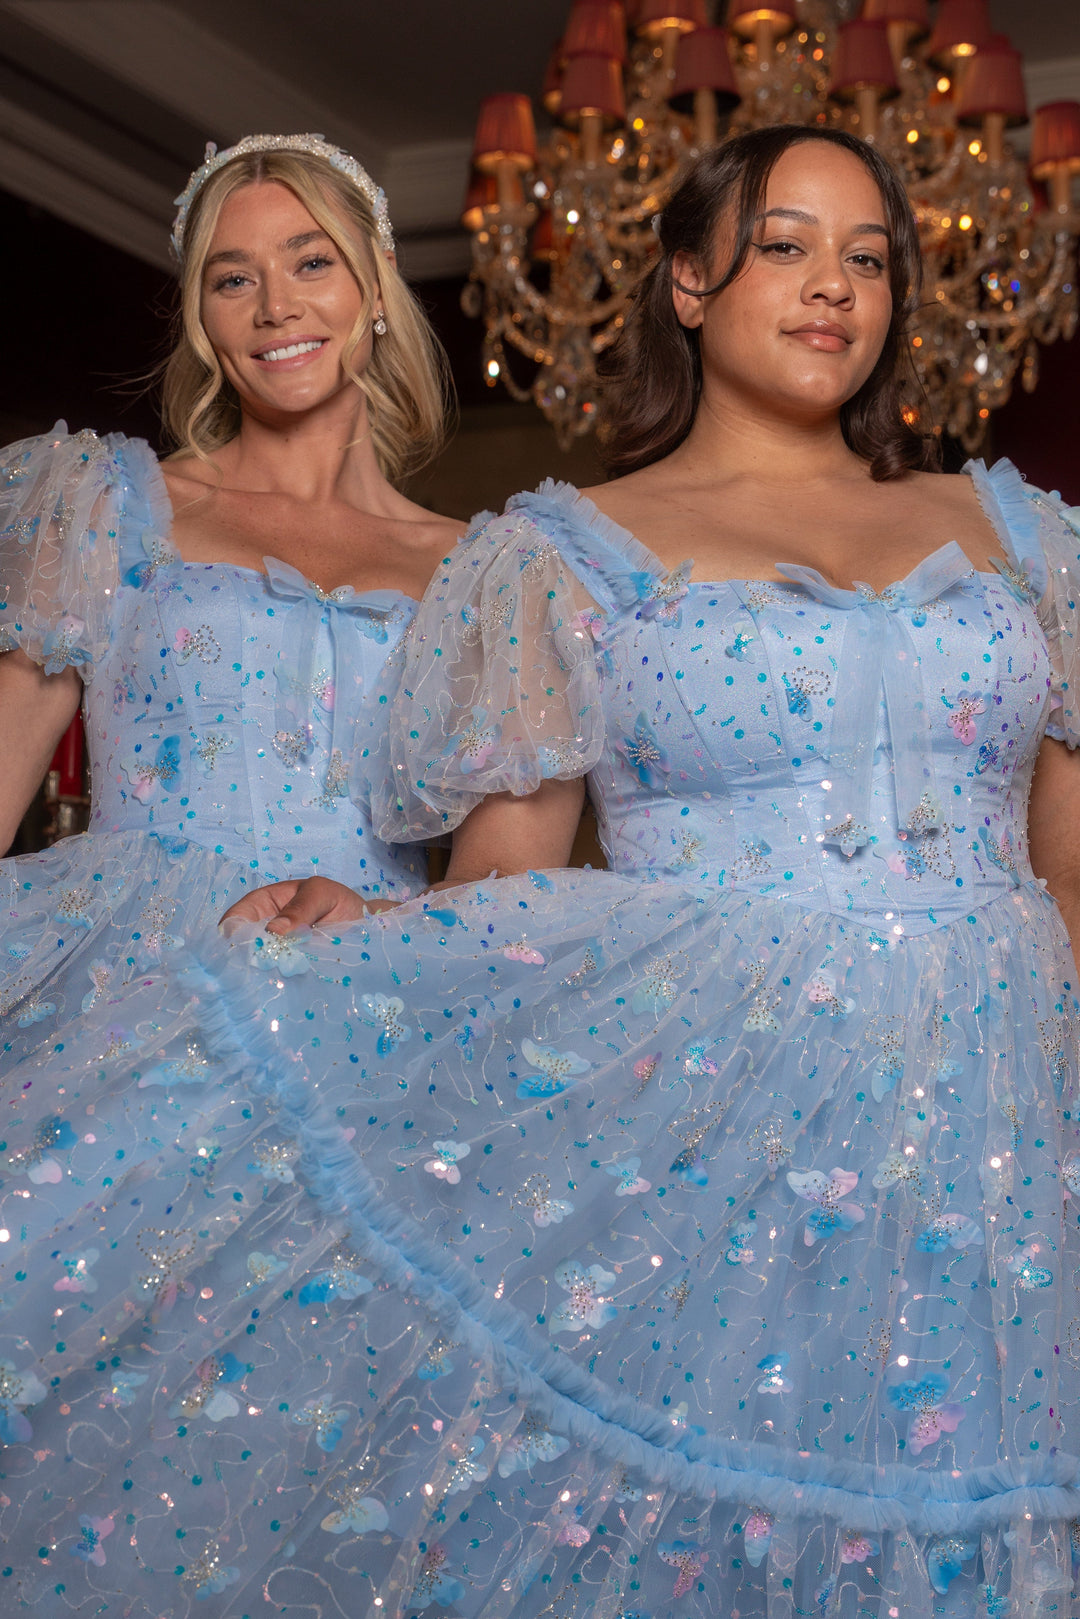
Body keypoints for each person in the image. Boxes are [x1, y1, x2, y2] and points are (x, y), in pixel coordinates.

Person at [6, 124, 1080, 1618]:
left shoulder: (1032, 537)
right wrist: (373, 924)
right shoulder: (557, 552)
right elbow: (502, 898)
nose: (833, 285)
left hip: (1013, 1116)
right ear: (689, 282)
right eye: (783, 244)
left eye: (868, 256)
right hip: (714, 1117)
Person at [0, 133, 461, 1068]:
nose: (275, 305)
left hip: (373, 1017)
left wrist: (377, 918)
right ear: (204, 319)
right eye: (233, 278)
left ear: (376, 284)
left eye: (311, 261)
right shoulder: (104, 501)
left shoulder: (473, 565)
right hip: (135, 1000)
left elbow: (505, 889)